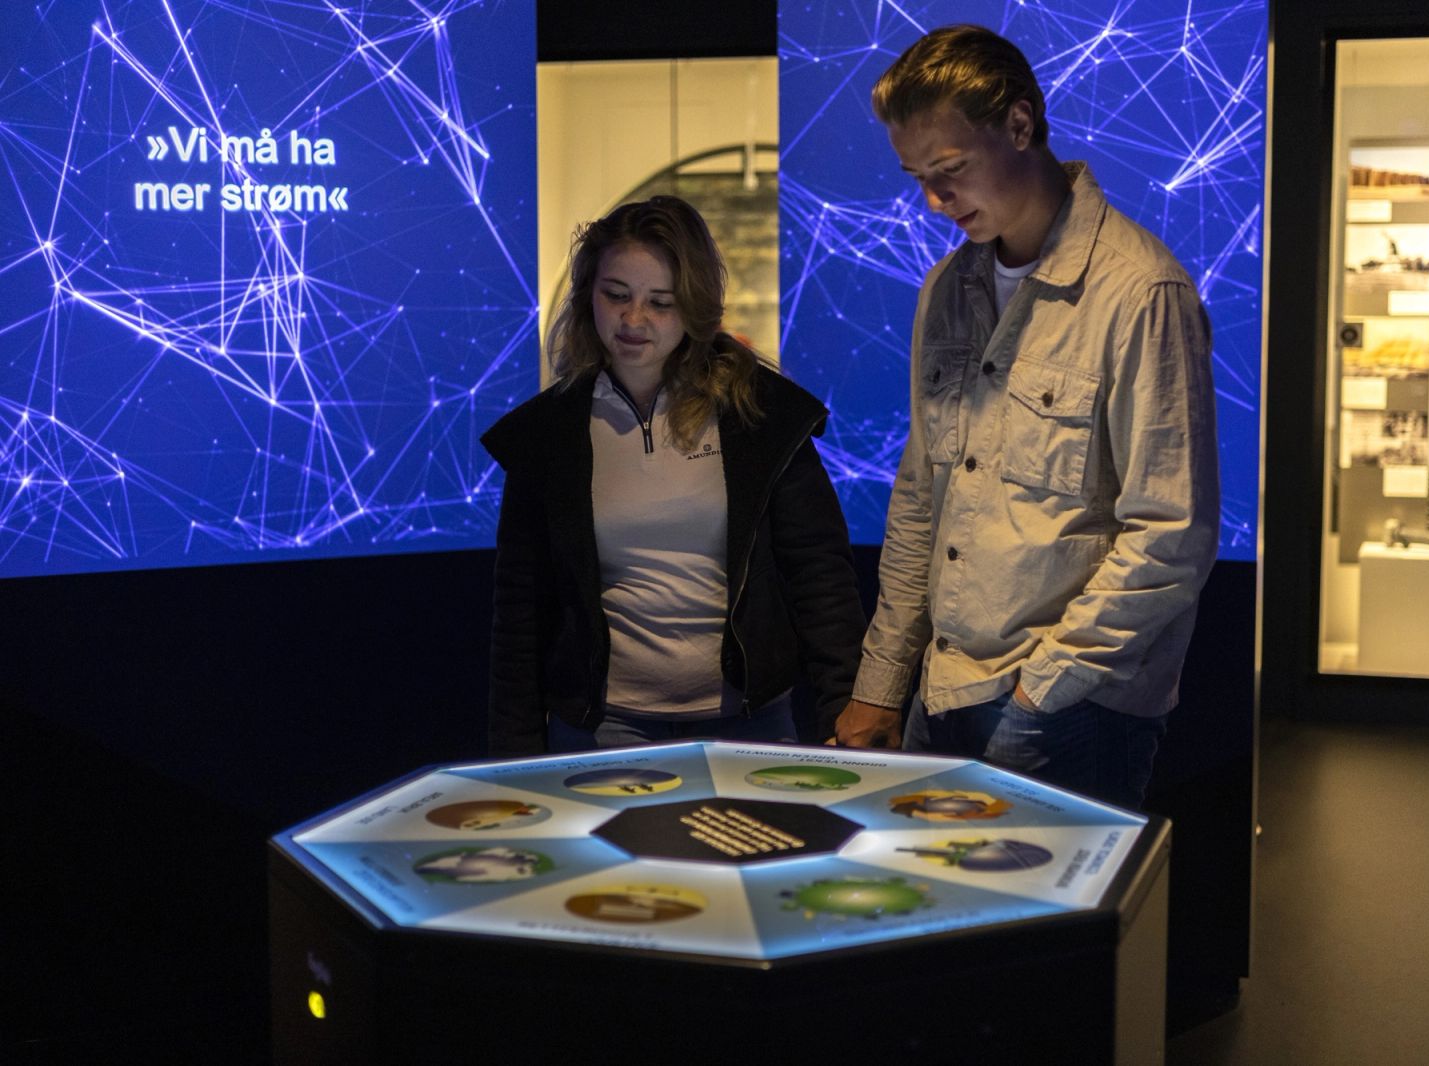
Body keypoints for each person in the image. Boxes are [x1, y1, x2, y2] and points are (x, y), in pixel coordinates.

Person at [832, 25, 1219, 812]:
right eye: (918, 178)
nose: (934, 201)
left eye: (949, 171)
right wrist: (881, 682)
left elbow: (1171, 533)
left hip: (1070, 709)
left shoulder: (1141, 291)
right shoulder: (944, 289)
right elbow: (921, 499)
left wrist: (1044, 692)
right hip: (944, 691)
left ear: (1019, 124)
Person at [481, 195, 865, 755]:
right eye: (616, 295)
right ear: (588, 293)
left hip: (750, 723)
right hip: (602, 730)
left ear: (695, 308)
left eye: (660, 302)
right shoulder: (546, 435)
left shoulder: (762, 414)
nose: (633, 320)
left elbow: (820, 576)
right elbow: (521, 610)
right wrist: (513, 754)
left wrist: (845, 712)